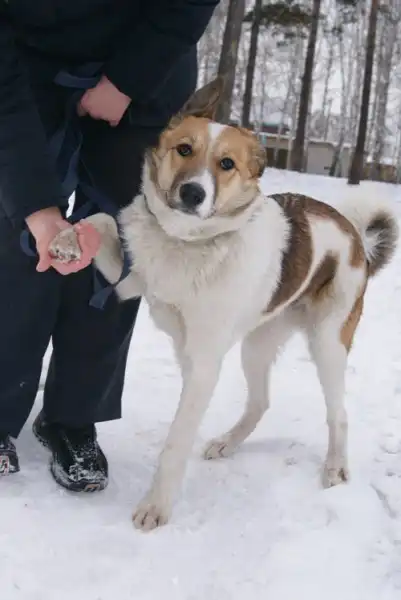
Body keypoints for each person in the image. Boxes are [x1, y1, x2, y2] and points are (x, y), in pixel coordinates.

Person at [0, 0, 220, 492]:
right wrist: (37, 209)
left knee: (122, 241)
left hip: (146, 55)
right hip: (23, 65)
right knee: (17, 235)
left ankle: (74, 416)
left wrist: (126, 80)